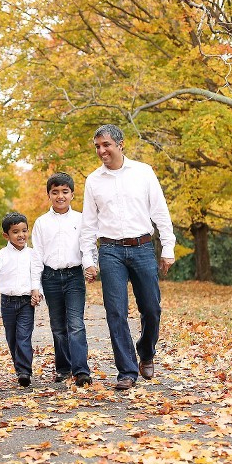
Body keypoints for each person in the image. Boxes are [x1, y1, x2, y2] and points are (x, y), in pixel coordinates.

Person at [80, 124, 175, 391]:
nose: (101, 151)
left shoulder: (143, 173)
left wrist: (168, 247)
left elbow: (160, 212)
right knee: (116, 312)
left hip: (143, 247)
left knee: (151, 308)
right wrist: (89, 258)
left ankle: (146, 351)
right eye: (97, 146)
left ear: (121, 145)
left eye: (106, 145)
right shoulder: (93, 181)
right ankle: (127, 370)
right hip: (110, 251)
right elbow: (88, 225)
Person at [30, 172, 92, 388]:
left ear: (72, 194)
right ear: (49, 195)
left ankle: (81, 371)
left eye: (65, 192)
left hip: (74, 276)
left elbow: (87, 246)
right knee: (58, 326)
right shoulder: (41, 223)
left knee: (76, 324)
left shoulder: (81, 219)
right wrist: (35, 286)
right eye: (55, 192)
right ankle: (63, 369)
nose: (60, 196)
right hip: (51, 277)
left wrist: (89, 266)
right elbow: (37, 256)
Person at [0, 212, 41, 388]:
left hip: (25, 301)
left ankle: (24, 371)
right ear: (6, 235)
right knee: (12, 337)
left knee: (24, 335)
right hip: (7, 302)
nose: (21, 235)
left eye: (24, 230)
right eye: (16, 232)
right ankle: (19, 368)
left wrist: (36, 292)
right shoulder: (1, 255)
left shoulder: (32, 254)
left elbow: (36, 274)